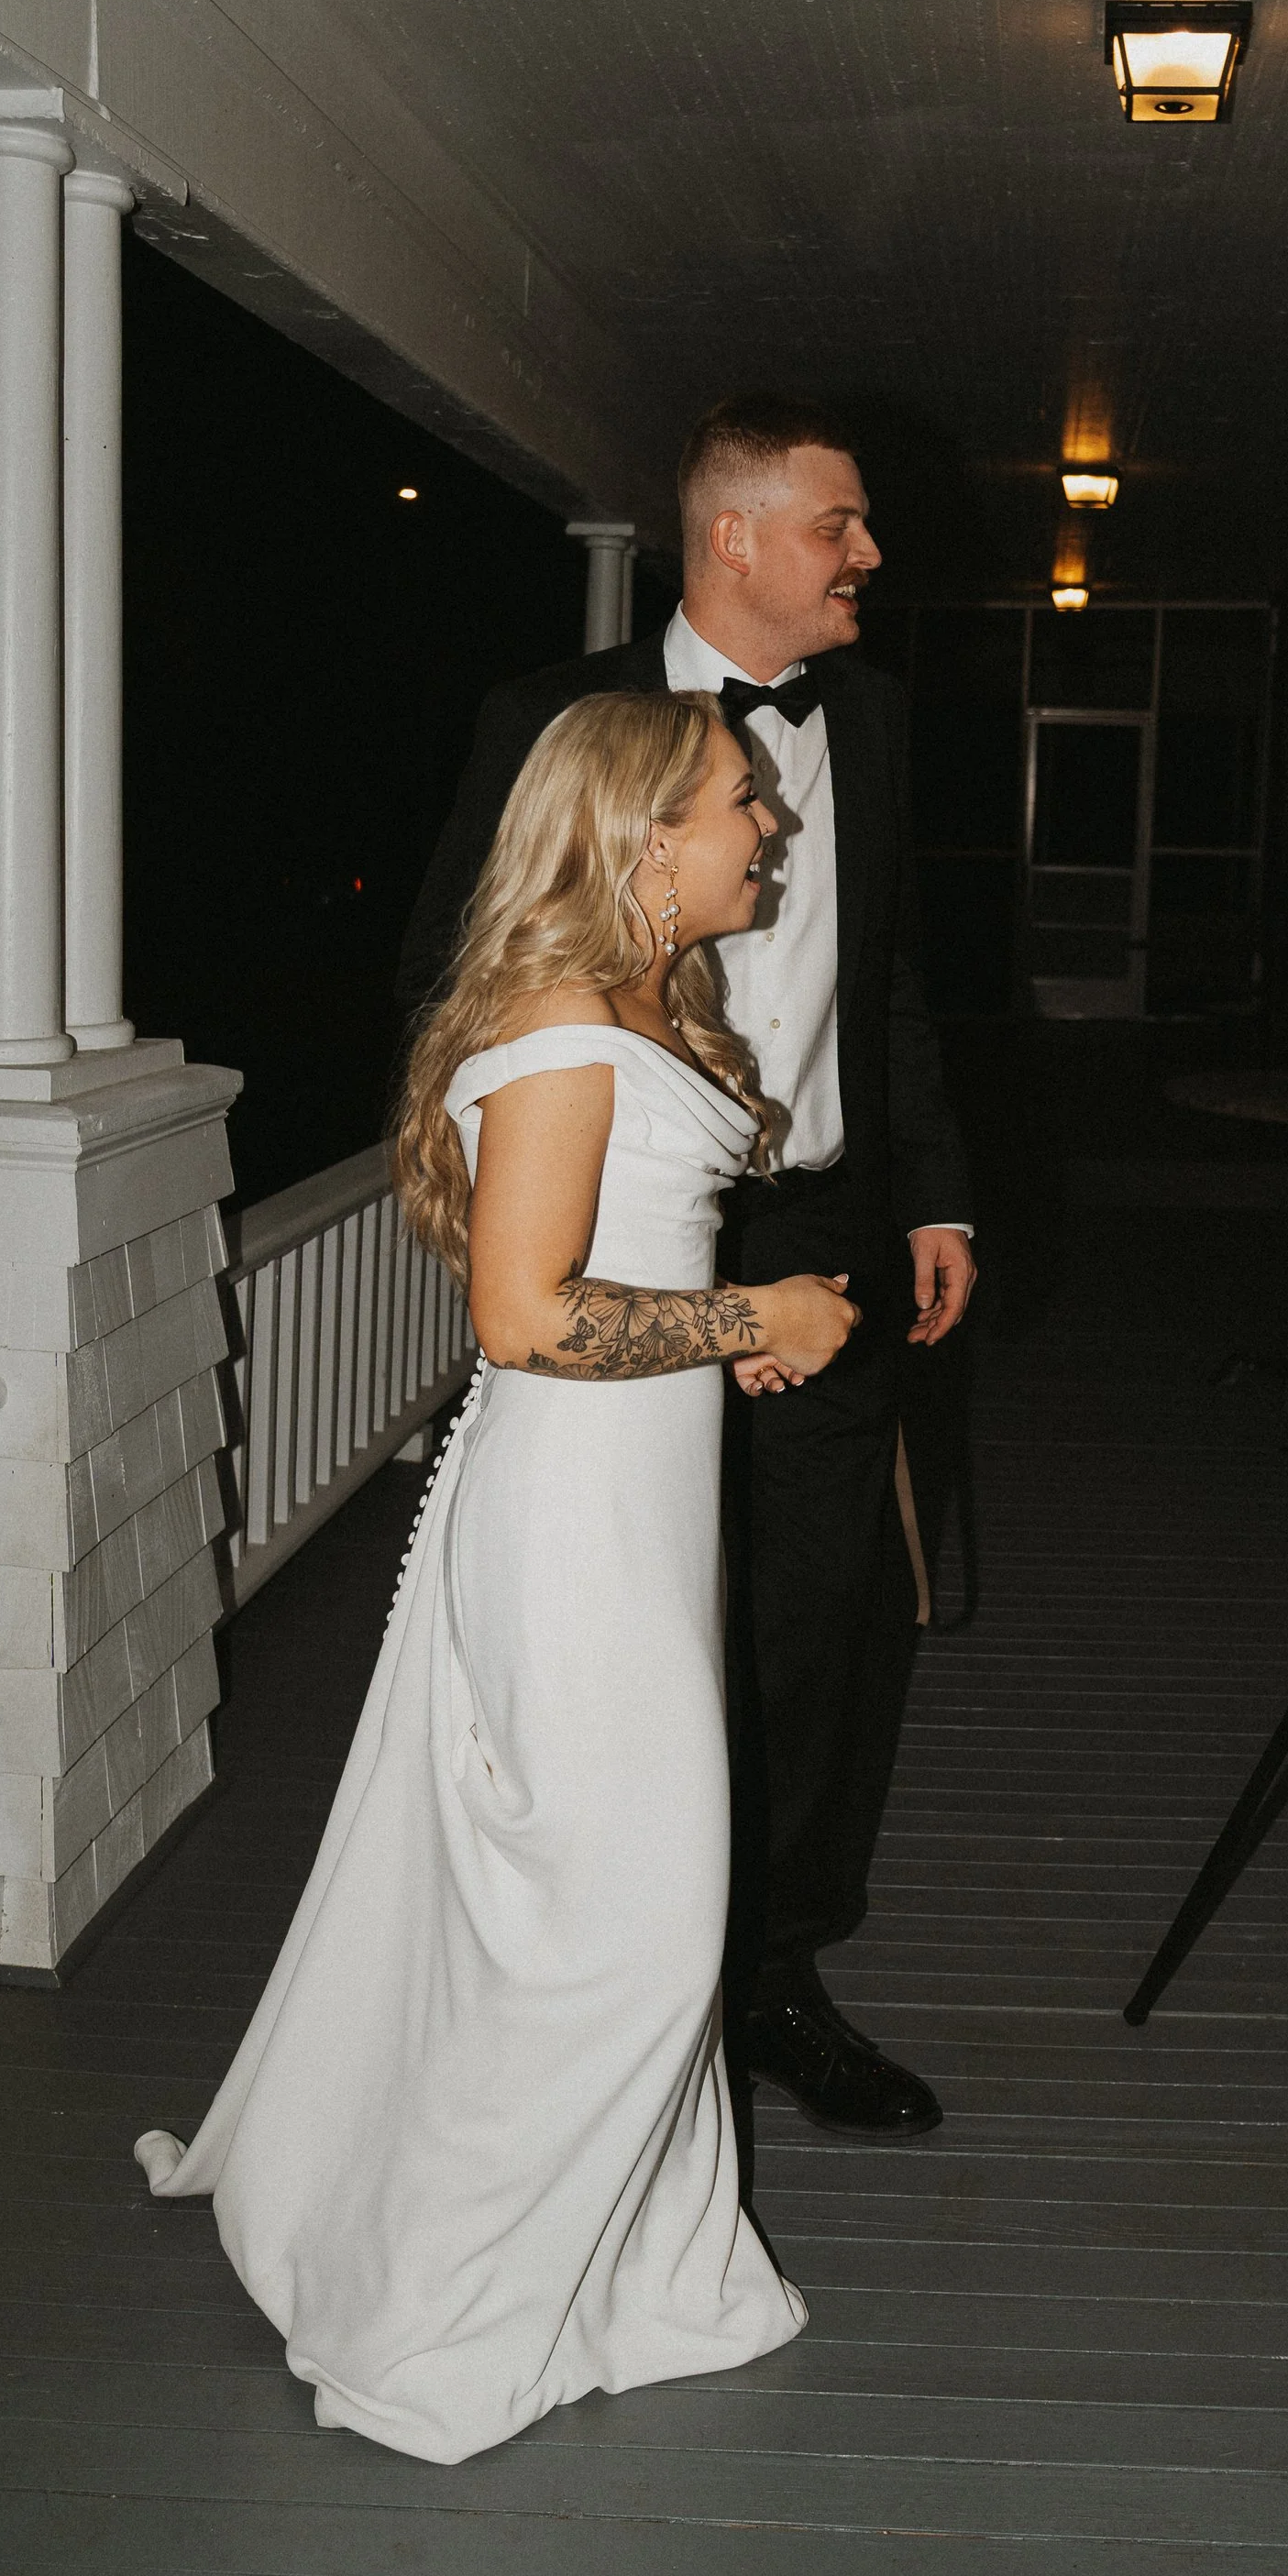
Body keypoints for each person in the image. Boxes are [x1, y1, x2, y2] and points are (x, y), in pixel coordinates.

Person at [135, 690, 855, 2461]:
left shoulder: (636, 1002)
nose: (764, 825)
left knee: (610, 1918)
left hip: (638, 1510)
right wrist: (753, 1314)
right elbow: (526, 1316)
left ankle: (624, 2270)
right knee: (626, 1931)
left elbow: (614, 1274)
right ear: (635, 839)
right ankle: (436, 2307)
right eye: (733, 802)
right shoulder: (551, 1029)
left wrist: (710, 1338)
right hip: (572, 1534)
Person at [397, 393, 974, 2138]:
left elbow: (894, 985)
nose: (868, 556)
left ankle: (772, 1976)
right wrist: (544, 1208)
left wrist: (935, 1195)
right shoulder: (547, 720)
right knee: (633, 1616)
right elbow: (452, 980)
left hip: (818, 1224)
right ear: (735, 538)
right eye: (839, 526)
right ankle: (599, 1975)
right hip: (620, 1229)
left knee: (817, 1620)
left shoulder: (869, 725)